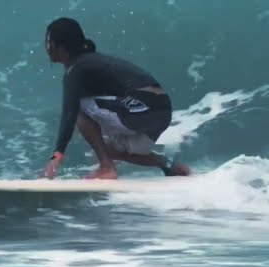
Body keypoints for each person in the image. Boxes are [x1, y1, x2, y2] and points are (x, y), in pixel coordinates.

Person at [39, 17, 192, 180]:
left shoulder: (76, 69)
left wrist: (56, 157)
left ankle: (106, 167)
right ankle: (168, 165)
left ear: (57, 45)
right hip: (162, 112)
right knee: (107, 148)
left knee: (79, 108)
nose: (47, 46)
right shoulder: (91, 63)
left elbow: (69, 114)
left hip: (142, 109)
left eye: (48, 41)